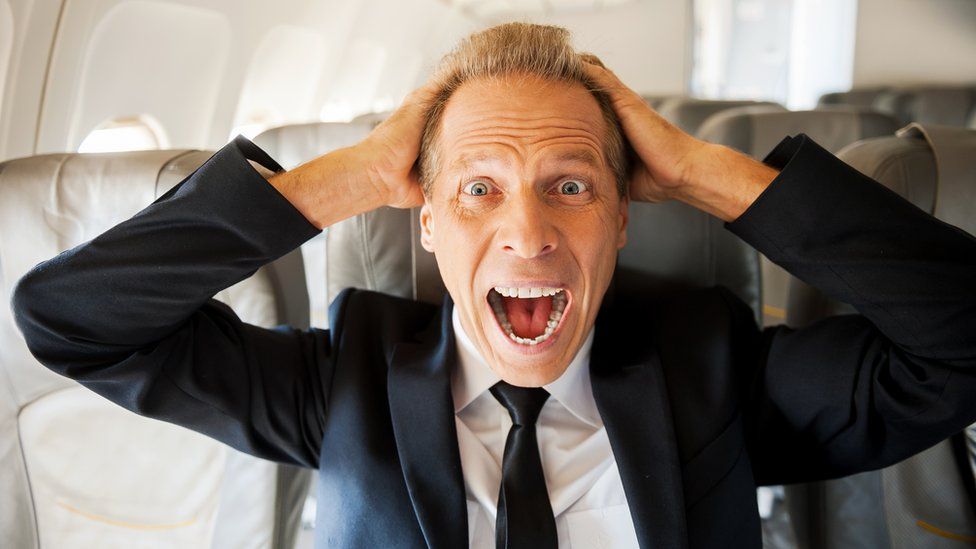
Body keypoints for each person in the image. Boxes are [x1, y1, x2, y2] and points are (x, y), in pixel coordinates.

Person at [11, 22, 976, 549]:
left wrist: (701, 170)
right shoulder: (344, 378)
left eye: (571, 187)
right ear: (424, 222)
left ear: (625, 215)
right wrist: (343, 180)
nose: (527, 232)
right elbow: (70, 319)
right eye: (477, 191)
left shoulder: (710, 370)